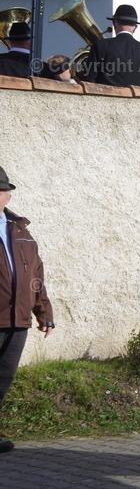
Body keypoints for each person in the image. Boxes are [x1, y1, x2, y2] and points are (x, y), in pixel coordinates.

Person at [0, 166, 54, 454]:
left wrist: (44, 313)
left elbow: (36, 276)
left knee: (3, 378)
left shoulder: (21, 231)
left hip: (17, 319)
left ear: (7, 197)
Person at [79, 5, 140, 89]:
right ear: (135, 28)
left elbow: (88, 81)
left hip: (106, 100)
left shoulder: (100, 45)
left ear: (114, 25)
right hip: (138, 102)